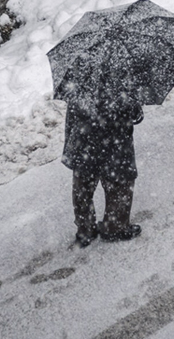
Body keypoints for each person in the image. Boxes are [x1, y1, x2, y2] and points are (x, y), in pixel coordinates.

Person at [62, 93, 144, 247]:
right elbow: (135, 115)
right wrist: (135, 107)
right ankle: (115, 226)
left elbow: (72, 117)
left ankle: (85, 229)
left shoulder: (79, 85)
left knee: (83, 186)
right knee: (120, 183)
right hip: (115, 141)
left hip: (84, 141)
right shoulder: (122, 84)